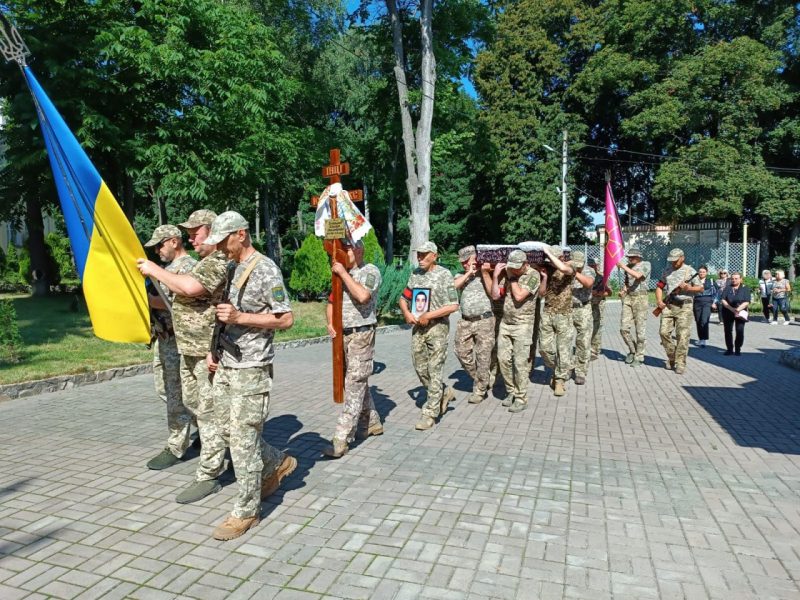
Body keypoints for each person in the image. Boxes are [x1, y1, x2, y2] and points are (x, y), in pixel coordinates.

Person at [201, 211, 296, 540]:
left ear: (241, 234)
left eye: (225, 240)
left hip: (252, 367)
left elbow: (285, 319)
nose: (221, 247)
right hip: (227, 361)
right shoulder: (231, 267)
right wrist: (215, 350)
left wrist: (242, 316)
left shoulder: (266, 268)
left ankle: (246, 511)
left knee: (242, 442)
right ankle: (275, 463)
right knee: (226, 429)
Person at [137, 209, 231, 504]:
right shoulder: (204, 262)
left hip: (205, 348)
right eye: (188, 232)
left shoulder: (212, 264)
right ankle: (218, 451)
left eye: (196, 231)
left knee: (209, 411)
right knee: (195, 404)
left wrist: (151, 271)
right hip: (186, 346)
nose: (192, 237)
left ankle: (211, 470)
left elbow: (186, 290)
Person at [142, 225, 197, 470]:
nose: (157, 250)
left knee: (176, 394)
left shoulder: (188, 268)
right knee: (166, 390)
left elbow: (175, 303)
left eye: (160, 245)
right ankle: (207, 430)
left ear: (174, 241)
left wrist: (141, 298)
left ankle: (176, 445)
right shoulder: (167, 269)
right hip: (163, 339)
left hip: (178, 341)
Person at [323, 238, 383, 458]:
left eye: (345, 249)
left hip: (362, 333)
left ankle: (341, 438)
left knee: (354, 382)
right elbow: (330, 303)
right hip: (343, 335)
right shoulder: (340, 274)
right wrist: (330, 323)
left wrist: (343, 273)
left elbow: (362, 296)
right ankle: (372, 422)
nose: (341, 254)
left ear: (358, 250)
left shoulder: (370, 271)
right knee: (355, 381)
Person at [399, 242, 459, 430]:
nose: (420, 258)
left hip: (437, 327)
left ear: (434, 255)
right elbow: (403, 298)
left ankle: (430, 412)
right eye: (418, 255)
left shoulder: (444, 275)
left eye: (424, 255)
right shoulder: (415, 274)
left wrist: (429, 315)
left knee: (435, 369)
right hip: (418, 327)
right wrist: (406, 313)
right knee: (420, 367)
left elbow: (453, 305)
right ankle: (442, 392)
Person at [491, 249, 543, 412]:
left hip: (523, 325)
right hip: (506, 323)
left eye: (516, 267)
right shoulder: (508, 273)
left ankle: (521, 397)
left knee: (520, 363)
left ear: (526, 264)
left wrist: (512, 278)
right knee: (503, 360)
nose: (513, 270)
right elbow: (494, 295)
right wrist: (495, 277)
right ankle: (511, 391)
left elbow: (520, 296)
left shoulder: (533, 275)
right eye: (511, 266)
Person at [453, 245, 495, 404]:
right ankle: (481, 378)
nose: (464, 264)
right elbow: (452, 286)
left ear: (476, 259)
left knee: (483, 357)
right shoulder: (461, 276)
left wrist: (484, 273)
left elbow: (493, 293)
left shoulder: (486, 274)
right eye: (462, 262)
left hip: (484, 321)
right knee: (460, 352)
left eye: (467, 261)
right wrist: (468, 273)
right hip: (465, 321)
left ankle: (480, 389)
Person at [654, 248, 703, 374]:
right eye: (671, 261)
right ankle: (672, 357)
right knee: (663, 333)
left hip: (684, 307)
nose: (673, 263)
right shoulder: (667, 270)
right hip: (669, 305)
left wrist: (689, 288)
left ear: (682, 258)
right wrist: (659, 301)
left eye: (675, 260)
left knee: (682, 336)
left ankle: (680, 363)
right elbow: (659, 287)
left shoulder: (690, 271)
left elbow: (701, 288)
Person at [539, 245, 575, 397]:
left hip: (564, 315)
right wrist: (545, 278)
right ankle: (559, 368)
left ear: (561, 257)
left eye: (552, 258)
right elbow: (541, 294)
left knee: (563, 349)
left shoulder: (570, 266)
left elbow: (565, 270)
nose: (549, 261)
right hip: (547, 313)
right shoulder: (546, 269)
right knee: (544, 349)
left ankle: (559, 379)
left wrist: (548, 253)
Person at [617, 247, 651, 367]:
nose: (630, 259)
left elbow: (638, 276)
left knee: (640, 330)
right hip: (628, 298)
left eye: (632, 257)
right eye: (629, 257)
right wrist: (623, 290)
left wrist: (623, 267)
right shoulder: (628, 266)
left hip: (640, 299)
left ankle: (640, 356)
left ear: (638, 257)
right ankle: (633, 350)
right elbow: (627, 282)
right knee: (623, 328)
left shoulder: (646, 264)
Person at [568, 251, 596, 385]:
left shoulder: (589, 270)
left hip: (583, 308)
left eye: (580, 265)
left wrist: (574, 272)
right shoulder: (565, 270)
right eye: (575, 265)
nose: (578, 267)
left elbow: (588, 283)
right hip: (567, 309)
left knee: (583, 342)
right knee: (565, 341)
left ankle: (580, 371)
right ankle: (567, 368)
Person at [720, 271, 751, 356]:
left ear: (741, 279)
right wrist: (732, 309)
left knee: (740, 331)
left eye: (736, 278)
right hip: (727, 312)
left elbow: (747, 301)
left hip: (740, 312)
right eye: (732, 278)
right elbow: (723, 299)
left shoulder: (745, 288)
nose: (734, 280)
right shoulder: (727, 288)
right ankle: (729, 349)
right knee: (728, 331)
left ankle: (738, 349)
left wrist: (737, 310)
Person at [587, 257, 609, 360]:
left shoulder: (602, 277)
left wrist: (599, 293)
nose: (591, 266)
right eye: (590, 265)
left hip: (598, 304)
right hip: (587, 303)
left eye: (593, 265)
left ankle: (594, 350)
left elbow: (609, 292)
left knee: (597, 326)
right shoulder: (585, 275)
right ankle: (586, 347)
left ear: (597, 266)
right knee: (586, 326)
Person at [692, 265, 715, 348]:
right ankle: (700, 338)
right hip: (697, 302)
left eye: (703, 272)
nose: (701, 273)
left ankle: (704, 339)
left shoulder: (711, 281)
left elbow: (716, 293)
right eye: (700, 272)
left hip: (707, 302)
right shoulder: (694, 281)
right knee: (698, 320)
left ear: (706, 272)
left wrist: (714, 302)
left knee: (704, 320)